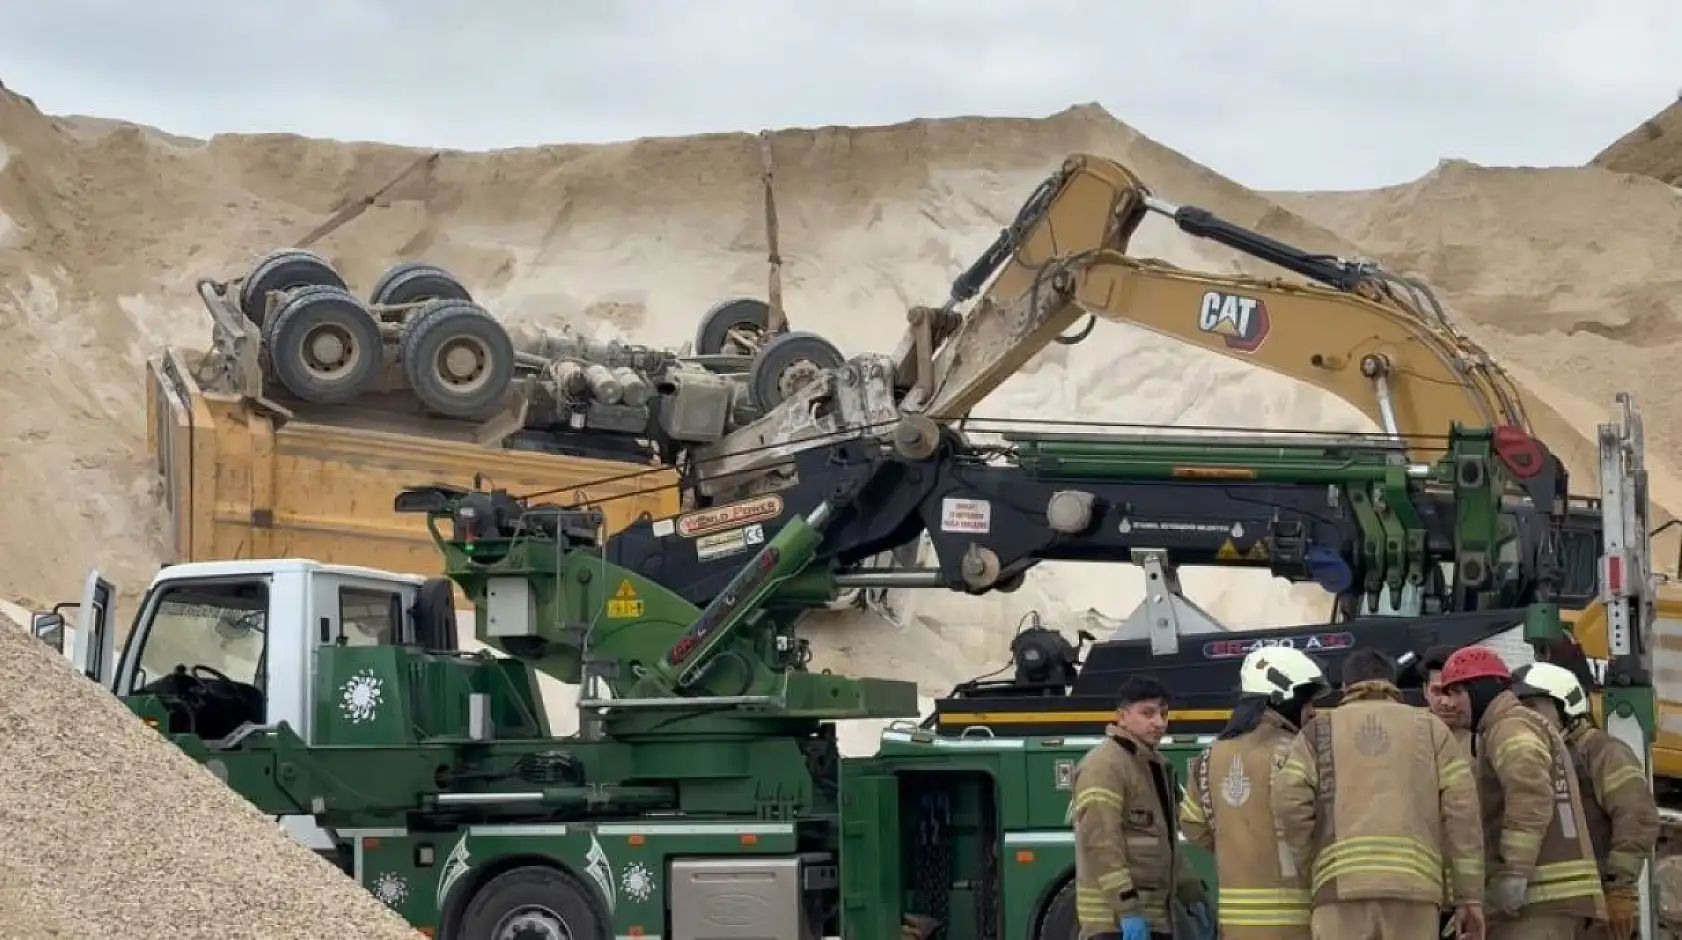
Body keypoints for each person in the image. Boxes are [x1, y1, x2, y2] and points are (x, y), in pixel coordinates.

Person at [1272, 648, 1485, 940]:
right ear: (1393, 684)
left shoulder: (1316, 733)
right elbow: (1463, 814)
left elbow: (1288, 802)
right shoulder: (1432, 729)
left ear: (1346, 688)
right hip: (1414, 893)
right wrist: (1469, 897)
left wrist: (1313, 864)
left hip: (1339, 893)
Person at [1436, 646, 1607, 940]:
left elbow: (1530, 795)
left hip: (1536, 904)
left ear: (1481, 689)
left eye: (1458, 693)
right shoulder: (1513, 724)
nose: (1451, 703)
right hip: (1546, 902)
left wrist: (1514, 873)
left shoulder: (1509, 726)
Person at [1179, 646, 1329, 939]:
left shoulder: (1209, 756)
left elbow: (1193, 825)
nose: (1313, 712)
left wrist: (1239, 848)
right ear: (1284, 698)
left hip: (1235, 924)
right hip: (1296, 922)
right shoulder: (1300, 753)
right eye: (1308, 702)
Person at [1512, 661, 1659, 940]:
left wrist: (1620, 888)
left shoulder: (1601, 751)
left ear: (1567, 707)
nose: (1524, 719)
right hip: (1558, 912)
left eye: (1533, 707)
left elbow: (1637, 816)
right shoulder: (1535, 756)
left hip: (1601, 910)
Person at [1070, 674, 1211, 940]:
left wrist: (1192, 893)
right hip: (1114, 925)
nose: (1159, 722)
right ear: (1121, 716)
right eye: (1147, 713)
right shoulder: (1105, 766)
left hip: (1153, 919)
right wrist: (1128, 910)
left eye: (1164, 713)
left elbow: (1163, 843)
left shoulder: (1153, 766)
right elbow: (1101, 844)